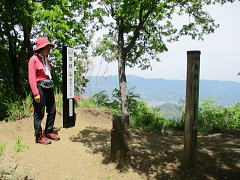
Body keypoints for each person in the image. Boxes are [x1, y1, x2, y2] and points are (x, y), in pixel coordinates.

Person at [28, 37, 60, 144]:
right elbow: (32, 78)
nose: (49, 49)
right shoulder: (33, 59)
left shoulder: (47, 60)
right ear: (40, 48)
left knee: (52, 110)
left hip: (48, 86)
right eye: (47, 47)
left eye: (49, 47)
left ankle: (49, 131)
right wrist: (35, 93)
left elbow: (48, 74)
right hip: (39, 87)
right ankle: (38, 136)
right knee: (39, 112)